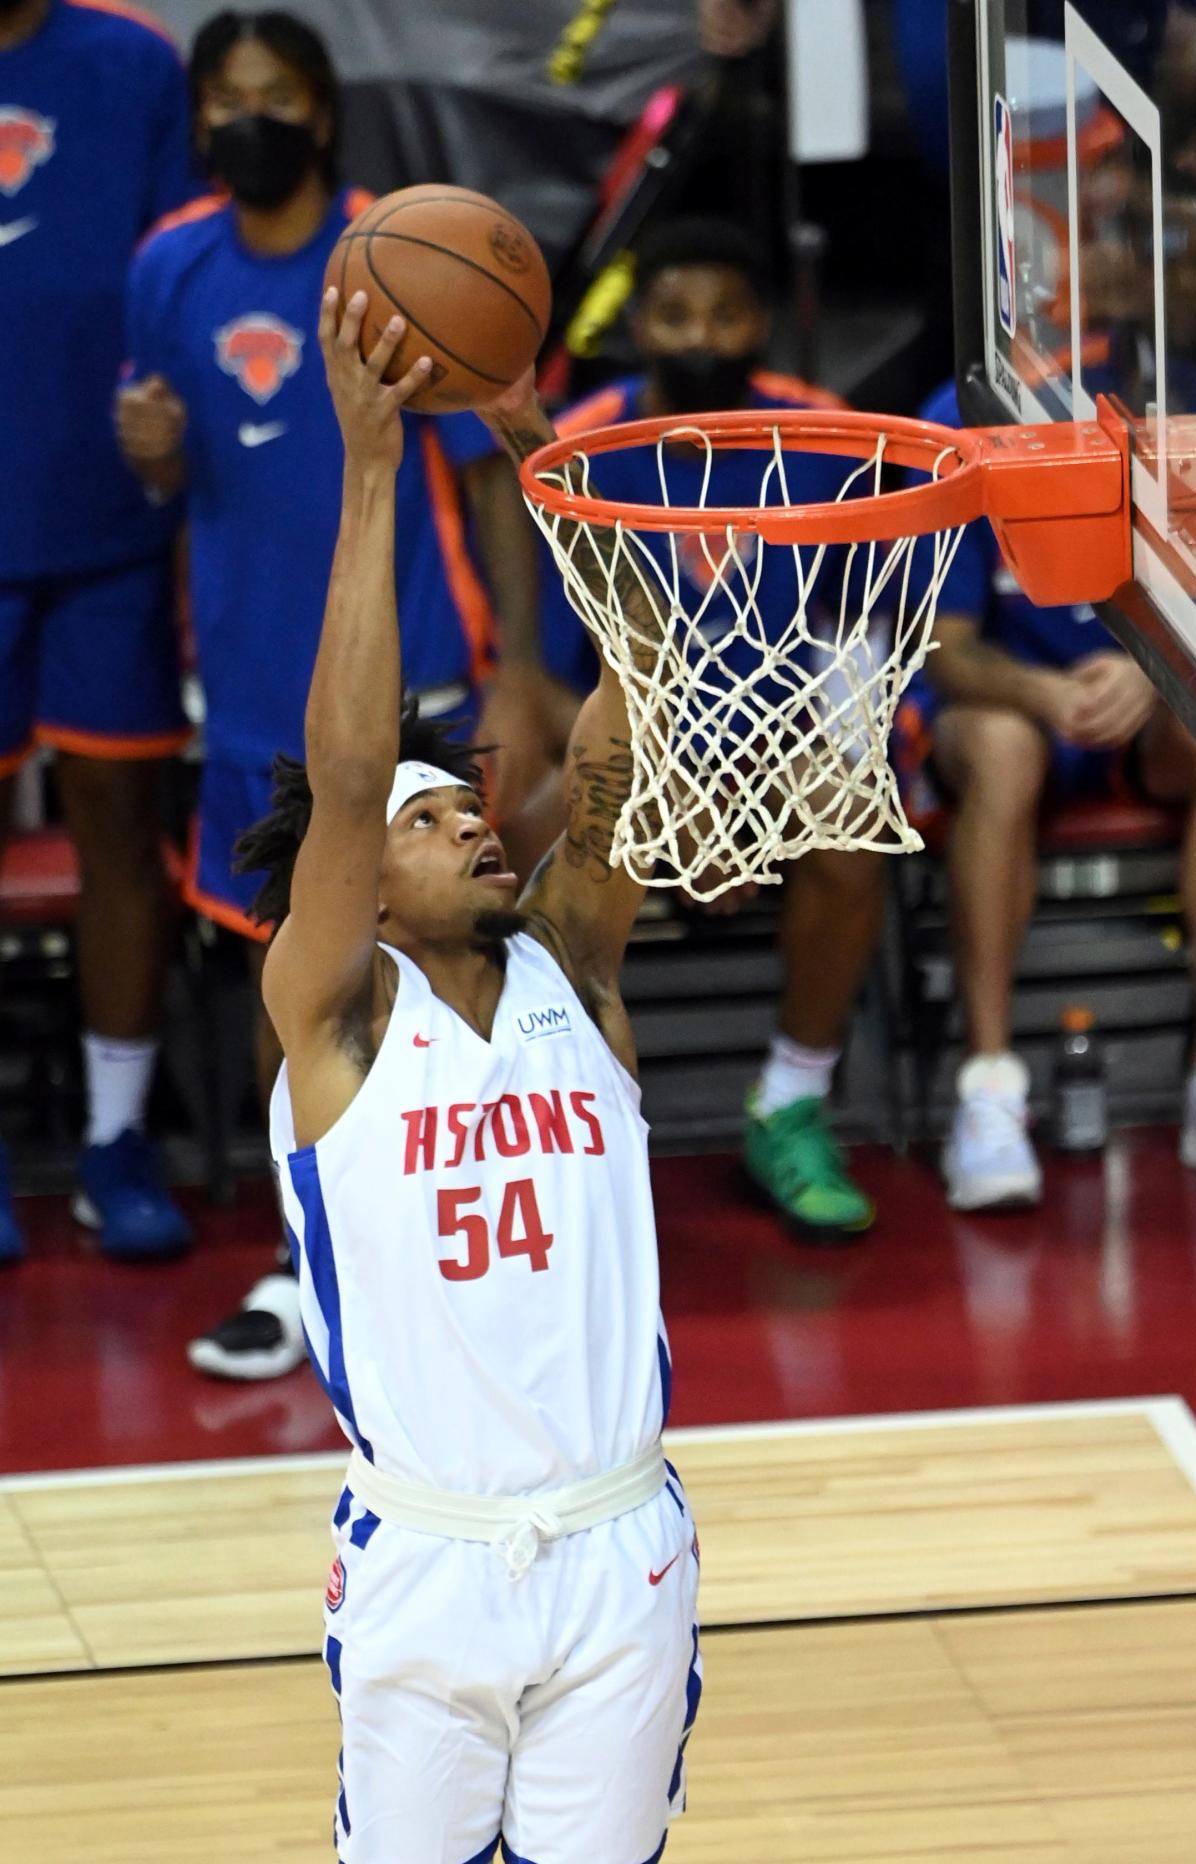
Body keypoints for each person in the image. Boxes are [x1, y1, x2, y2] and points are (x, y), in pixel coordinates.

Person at [255, 284, 700, 1863]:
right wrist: (372, 470)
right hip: (428, 1564)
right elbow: (352, 767)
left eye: (471, 813)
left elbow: (632, 737)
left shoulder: (571, 966)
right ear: (357, 880)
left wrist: (550, 469)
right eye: (429, 822)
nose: (470, 826)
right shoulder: (334, 1017)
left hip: (617, 1542)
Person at [117, 9, 555, 1374]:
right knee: (288, 978)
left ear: (322, 109)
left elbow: (490, 470)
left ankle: (470, 1233)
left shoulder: (398, 252)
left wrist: (524, 667)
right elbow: (173, 474)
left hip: (417, 669)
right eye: (230, 95)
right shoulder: (167, 266)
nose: (255, 117)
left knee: (440, 944)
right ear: (200, 121)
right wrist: (153, 461)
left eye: (281, 94)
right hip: (249, 677)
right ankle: (313, 1259)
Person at [525, 215, 886, 1235]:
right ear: (636, 323)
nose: (699, 336)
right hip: (629, 754)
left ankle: (791, 1098)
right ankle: (553, 1114)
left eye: (725, 314)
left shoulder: (824, 436)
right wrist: (664, 778)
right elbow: (546, 679)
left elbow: (862, 638)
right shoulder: (578, 450)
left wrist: (765, 785)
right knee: (529, 823)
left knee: (853, 825)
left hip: (782, 746)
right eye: (674, 313)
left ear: (760, 324)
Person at [901, 380, 1196, 1211]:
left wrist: (1156, 676)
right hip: (1006, 706)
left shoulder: (1175, 401)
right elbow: (948, 655)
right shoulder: (958, 421)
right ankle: (988, 1090)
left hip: (1141, 701)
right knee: (1008, 750)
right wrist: (1047, 697)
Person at [0, 0, 198, 1264]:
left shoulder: (132, 62)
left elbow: (187, 263)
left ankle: (116, 1139)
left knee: (122, 837)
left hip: (107, 526)